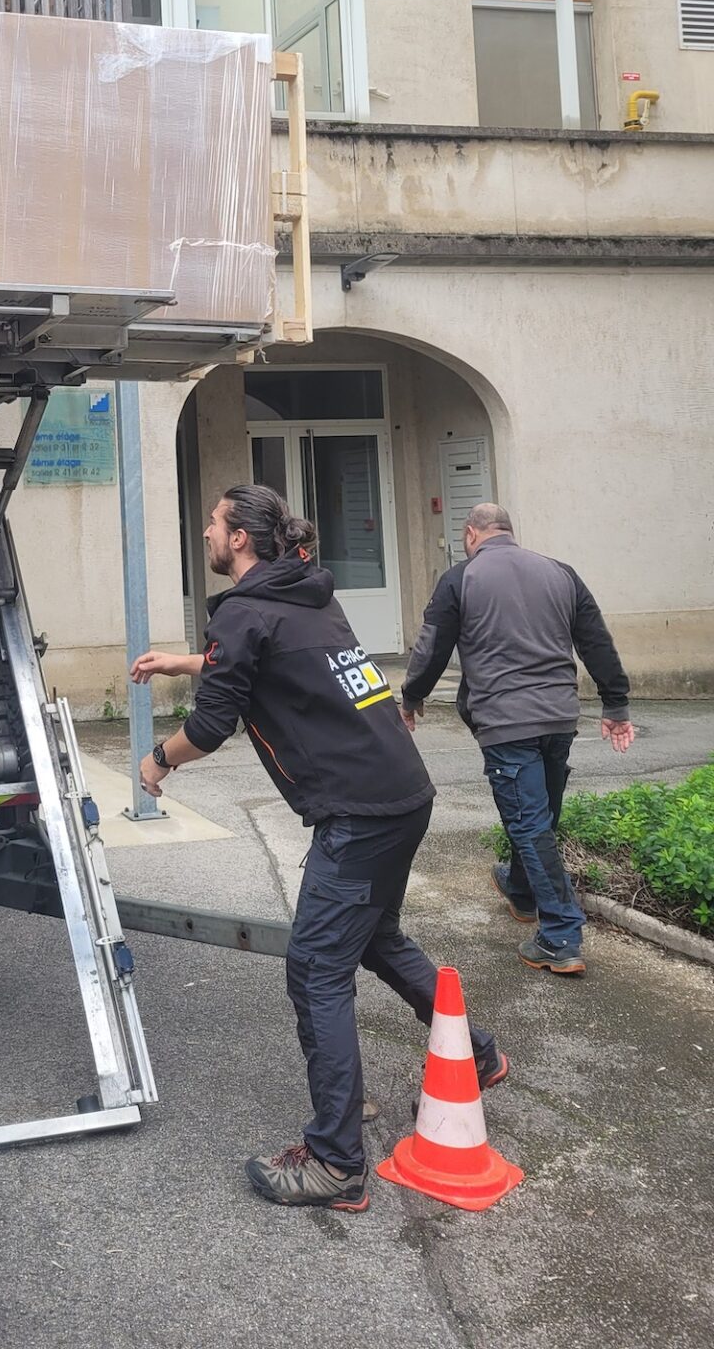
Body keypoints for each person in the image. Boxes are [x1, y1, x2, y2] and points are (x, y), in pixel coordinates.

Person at [132, 484, 507, 1214]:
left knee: (315, 970)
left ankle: (336, 1161)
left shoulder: (246, 610)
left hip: (360, 813)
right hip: (403, 793)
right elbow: (268, 660)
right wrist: (189, 661)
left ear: (240, 538)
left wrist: (157, 763)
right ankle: (480, 1055)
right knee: (375, 940)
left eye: (213, 522)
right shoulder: (305, 594)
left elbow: (208, 728)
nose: (206, 532)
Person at [400, 502, 634, 979]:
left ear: (471, 534)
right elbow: (595, 640)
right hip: (559, 717)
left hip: (506, 721)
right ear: (508, 531)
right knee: (537, 816)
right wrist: (615, 704)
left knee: (528, 822)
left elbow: (433, 645)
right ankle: (522, 891)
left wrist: (412, 696)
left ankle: (561, 936)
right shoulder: (561, 573)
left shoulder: (461, 578)